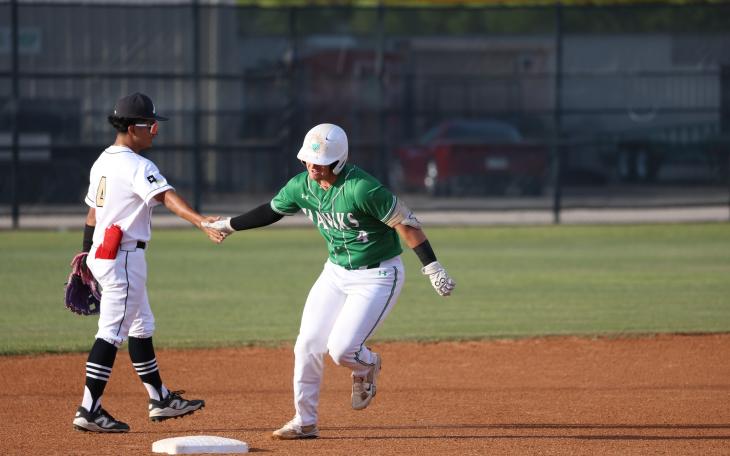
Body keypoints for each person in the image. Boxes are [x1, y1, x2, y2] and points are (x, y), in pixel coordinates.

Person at [203, 123, 455, 440]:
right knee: (307, 344)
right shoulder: (302, 186)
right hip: (335, 273)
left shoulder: (362, 188)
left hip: (378, 275)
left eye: (318, 162)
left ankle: (367, 366)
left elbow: (408, 225)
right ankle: (305, 420)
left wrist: (432, 268)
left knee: (342, 351)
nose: (311, 166)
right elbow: (270, 211)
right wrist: (228, 224)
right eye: (307, 159)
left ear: (338, 161)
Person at [71, 92, 226, 433]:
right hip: (124, 257)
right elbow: (166, 197)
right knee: (111, 333)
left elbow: (93, 212)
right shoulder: (138, 166)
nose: (156, 131)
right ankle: (89, 409)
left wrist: (85, 253)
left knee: (141, 326)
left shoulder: (103, 161)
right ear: (133, 127)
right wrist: (200, 221)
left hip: (103, 253)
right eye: (151, 125)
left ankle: (160, 398)